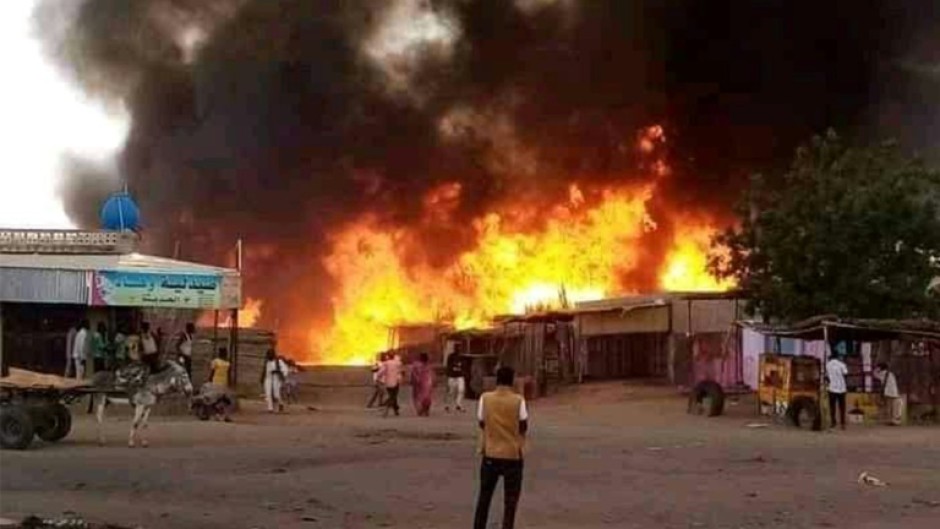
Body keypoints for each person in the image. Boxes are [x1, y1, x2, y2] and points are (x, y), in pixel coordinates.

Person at [474, 366, 529, 529]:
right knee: (510, 501)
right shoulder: (518, 400)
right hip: (512, 454)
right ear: (512, 381)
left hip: (490, 453)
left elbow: (481, 421)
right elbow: (523, 425)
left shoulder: (485, 398)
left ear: (497, 380)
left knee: (484, 497)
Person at [826, 350, 849, 430]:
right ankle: (842, 423)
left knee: (832, 406)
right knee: (842, 407)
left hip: (832, 388)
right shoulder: (842, 364)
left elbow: (827, 376)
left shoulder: (828, 365)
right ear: (838, 356)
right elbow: (846, 374)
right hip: (841, 388)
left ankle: (833, 422)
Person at [377, 353, 403, 417]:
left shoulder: (386, 363)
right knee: (394, 396)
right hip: (396, 382)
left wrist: (378, 377)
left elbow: (381, 372)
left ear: (388, 357)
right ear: (393, 357)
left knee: (392, 396)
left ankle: (395, 410)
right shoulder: (398, 363)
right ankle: (388, 407)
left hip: (388, 382)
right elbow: (400, 372)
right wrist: (400, 379)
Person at [410, 353, 435, 417]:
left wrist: (414, 380)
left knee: (419, 397)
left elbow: (413, 374)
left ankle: (422, 410)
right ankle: (424, 410)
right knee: (426, 397)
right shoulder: (427, 366)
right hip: (426, 383)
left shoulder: (416, 365)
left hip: (421, 383)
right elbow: (431, 375)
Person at [445, 346, 466, 412]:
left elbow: (464, 366)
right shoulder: (451, 356)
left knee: (461, 390)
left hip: (460, 376)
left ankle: (458, 404)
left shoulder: (462, 357)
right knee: (451, 391)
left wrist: (463, 371)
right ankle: (448, 405)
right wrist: (448, 374)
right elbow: (448, 366)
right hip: (452, 376)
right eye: (457, 349)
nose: (458, 350)